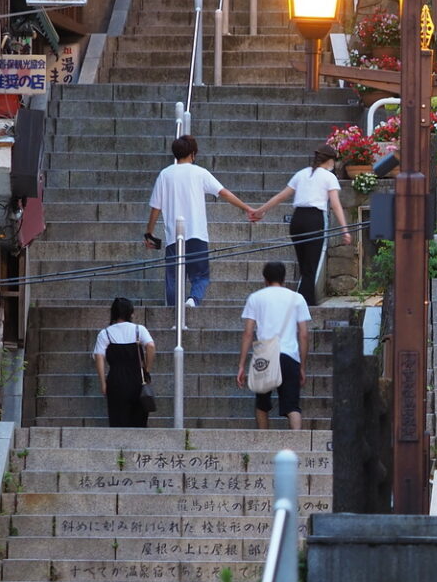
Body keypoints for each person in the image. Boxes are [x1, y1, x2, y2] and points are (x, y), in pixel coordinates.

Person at [142, 134, 255, 307]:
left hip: (174, 237)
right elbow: (224, 192)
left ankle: (173, 315)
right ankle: (193, 300)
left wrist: (149, 233)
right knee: (201, 276)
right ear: (193, 154)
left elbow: (155, 208)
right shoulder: (200, 173)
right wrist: (247, 208)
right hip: (197, 234)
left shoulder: (165, 175)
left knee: (173, 279)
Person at [249, 144, 352, 302]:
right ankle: (305, 304)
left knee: (305, 266)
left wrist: (260, 211)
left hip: (297, 220)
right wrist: (345, 230)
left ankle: (305, 301)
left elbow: (281, 196)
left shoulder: (301, 174)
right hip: (314, 219)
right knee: (311, 268)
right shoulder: (329, 177)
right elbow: (336, 205)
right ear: (330, 160)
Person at [237, 260, 312, 431]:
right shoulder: (297, 298)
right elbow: (304, 334)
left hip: (264, 356)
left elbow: (248, 333)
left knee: (262, 404)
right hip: (289, 356)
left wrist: (241, 365)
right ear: (284, 278)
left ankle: (264, 442)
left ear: (265, 278)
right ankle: (296, 447)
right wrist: (302, 365)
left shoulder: (255, 298)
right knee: (292, 406)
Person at [93, 296, 155, 429]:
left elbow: (99, 357)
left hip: (116, 379)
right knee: (139, 419)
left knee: (118, 419)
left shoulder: (105, 333)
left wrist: (103, 383)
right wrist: (147, 369)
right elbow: (150, 346)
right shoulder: (139, 329)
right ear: (131, 313)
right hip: (137, 378)